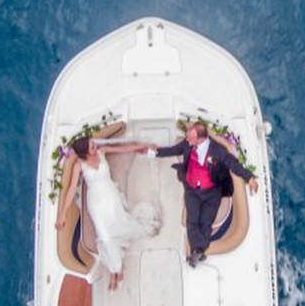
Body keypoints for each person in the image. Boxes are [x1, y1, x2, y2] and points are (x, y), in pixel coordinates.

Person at [55, 136, 159, 291]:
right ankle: (116, 269)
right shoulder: (79, 165)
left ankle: (115, 270)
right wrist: (63, 214)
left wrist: (142, 145)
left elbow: (122, 148)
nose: (95, 147)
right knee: (106, 237)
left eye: (93, 144)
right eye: (91, 146)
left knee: (119, 226)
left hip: (112, 198)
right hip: (96, 205)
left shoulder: (101, 152)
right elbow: (70, 189)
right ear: (84, 153)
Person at [153, 123, 260, 268]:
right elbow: (173, 150)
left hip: (211, 193)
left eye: (190, 137)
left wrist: (250, 178)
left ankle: (198, 250)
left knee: (205, 223)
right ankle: (198, 251)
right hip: (192, 189)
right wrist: (155, 152)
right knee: (192, 221)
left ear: (201, 139)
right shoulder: (187, 144)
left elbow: (233, 164)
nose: (187, 139)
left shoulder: (217, 151)